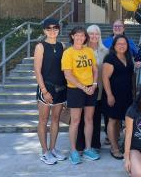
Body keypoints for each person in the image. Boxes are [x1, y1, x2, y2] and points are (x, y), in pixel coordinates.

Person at [62, 26, 100, 164]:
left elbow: (95, 70)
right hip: (75, 90)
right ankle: (73, 151)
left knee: (89, 120)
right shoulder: (68, 53)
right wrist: (84, 88)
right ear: (72, 36)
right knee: (76, 121)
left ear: (85, 37)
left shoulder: (89, 51)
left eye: (82, 35)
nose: (80, 38)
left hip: (91, 89)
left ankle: (88, 148)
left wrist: (94, 85)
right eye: (77, 35)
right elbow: (68, 75)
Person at [34, 18, 67, 165]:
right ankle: (44, 151)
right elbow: (37, 70)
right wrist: (44, 90)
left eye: (55, 28)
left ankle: (53, 149)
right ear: (44, 30)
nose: (52, 30)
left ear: (59, 29)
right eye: (49, 28)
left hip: (60, 88)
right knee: (43, 120)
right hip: (46, 88)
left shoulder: (63, 45)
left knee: (55, 120)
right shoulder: (40, 46)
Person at [76, 25, 108, 153]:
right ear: (86, 35)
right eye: (91, 34)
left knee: (95, 118)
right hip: (81, 89)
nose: (94, 36)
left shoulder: (105, 51)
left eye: (97, 34)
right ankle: (80, 145)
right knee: (81, 118)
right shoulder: (80, 49)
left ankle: (94, 145)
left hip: (99, 90)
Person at [102, 35, 134, 160]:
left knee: (123, 121)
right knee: (113, 120)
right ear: (114, 45)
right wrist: (109, 95)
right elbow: (105, 78)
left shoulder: (128, 57)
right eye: (119, 43)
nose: (122, 46)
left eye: (124, 44)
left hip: (126, 95)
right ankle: (114, 148)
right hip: (113, 95)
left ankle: (120, 144)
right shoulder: (110, 58)